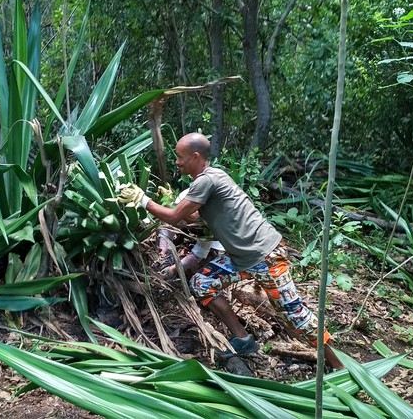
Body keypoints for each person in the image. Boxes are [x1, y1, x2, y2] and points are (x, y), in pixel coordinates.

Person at [118, 132, 343, 369]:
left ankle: (340, 367)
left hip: (265, 256)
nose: (177, 161)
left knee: (293, 315)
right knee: (202, 283)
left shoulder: (206, 180)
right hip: (241, 257)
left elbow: (175, 217)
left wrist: (142, 200)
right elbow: (192, 216)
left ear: (195, 157)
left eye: (179, 156)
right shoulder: (211, 178)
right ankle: (243, 339)